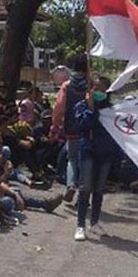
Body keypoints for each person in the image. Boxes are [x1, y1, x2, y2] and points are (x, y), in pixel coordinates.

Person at [74, 76, 121, 241]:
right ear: (90, 89)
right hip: (88, 151)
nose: (98, 91)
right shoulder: (81, 107)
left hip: (105, 152)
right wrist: (91, 108)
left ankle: (94, 222)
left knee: (99, 189)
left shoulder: (111, 110)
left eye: (102, 88)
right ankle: (80, 225)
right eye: (96, 88)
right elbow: (83, 126)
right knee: (85, 188)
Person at [51, 53, 89, 203]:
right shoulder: (91, 85)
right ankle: (83, 195)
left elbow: (59, 108)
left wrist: (56, 125)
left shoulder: (67, 86)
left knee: (72, 159)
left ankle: (71, 184)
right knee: (87, 161)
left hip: (72, 128)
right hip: (89, 129)